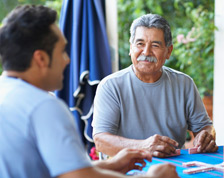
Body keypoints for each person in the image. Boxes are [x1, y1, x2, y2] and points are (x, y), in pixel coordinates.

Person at [0, 5, 179, 178]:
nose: (67, 60)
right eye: (62, 52)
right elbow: (78, 176)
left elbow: (57, 169)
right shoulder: (43, 106)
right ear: (41, 58)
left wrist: (110, 165)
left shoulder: (6, 93)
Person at [92, 13, 218, 158]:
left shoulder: (184, 84)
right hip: (126, 169)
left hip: (175, 167)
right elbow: (101, 141)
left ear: (168, 51)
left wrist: (206, 136)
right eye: (140, 44)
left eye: (155, 45)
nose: (146, 52)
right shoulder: (110, 86)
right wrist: (142, 147)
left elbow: (205, 127)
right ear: (131, 48)